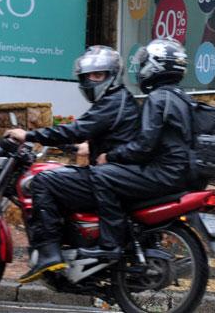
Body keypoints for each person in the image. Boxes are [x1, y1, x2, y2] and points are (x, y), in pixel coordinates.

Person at [5, 46, 140, 283]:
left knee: (44, 181)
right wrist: (79, 147)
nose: (91, 80)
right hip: (117, 173)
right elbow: (102, 132)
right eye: (88, 76)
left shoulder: (112, 101)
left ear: (113, 75)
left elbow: (77, 129)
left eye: (98, 75)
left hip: (112, 176)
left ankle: (48, 252)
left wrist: (29, 135)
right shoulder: (118, 100)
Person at [77, 38, 198, 259]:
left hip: (163, 174)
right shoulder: (183, 98)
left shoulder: (158, 98)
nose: (141, 69)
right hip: (180, 174)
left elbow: (144, 145)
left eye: (144, 63)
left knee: (102, 175)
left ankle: (109, 244)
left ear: (156, 65)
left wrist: (111, 156)